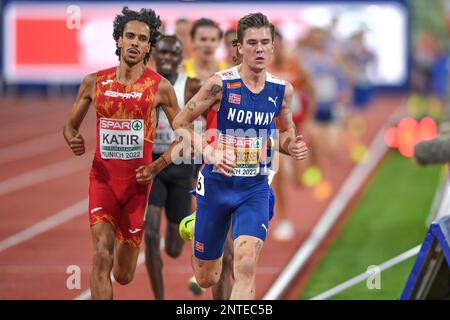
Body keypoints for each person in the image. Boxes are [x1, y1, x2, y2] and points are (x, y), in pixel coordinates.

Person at [173, 12, 308, 299]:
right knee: (206, 277)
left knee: (245, 266)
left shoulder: (282, 91)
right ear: (239, 47)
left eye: (265, 43)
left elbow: (285, 134)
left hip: (254, 188)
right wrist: (208, 150)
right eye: (252, 43)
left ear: (273, 47)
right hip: (217, 185)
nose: (259, 49)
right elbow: (180, 123)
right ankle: (202, 228)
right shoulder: (219, 84)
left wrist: (292, 146)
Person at [63, 7, 181, 300]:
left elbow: (186, 138)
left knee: (124, 275)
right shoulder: (94, 82)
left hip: (137, 188)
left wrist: (158, 165)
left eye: (142, 39)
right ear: (118, 40)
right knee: (101, 256)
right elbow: (69, 127)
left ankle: (125, 242)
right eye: (129, 36)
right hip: (102, 180)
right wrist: (73, 138)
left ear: (149, 47)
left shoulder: (160, 88)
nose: (134, 43)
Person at [144, 35, 201, 300]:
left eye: (172, 54)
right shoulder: (145, 84)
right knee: (151, 232)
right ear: (156, 54)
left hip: (181, 167)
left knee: (176, 248)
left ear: (180, 59)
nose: (166, 57)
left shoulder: (190, 85)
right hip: (155, 165)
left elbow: (204, 122)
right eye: (163, 52)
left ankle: (177, 237)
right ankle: (159, 297)